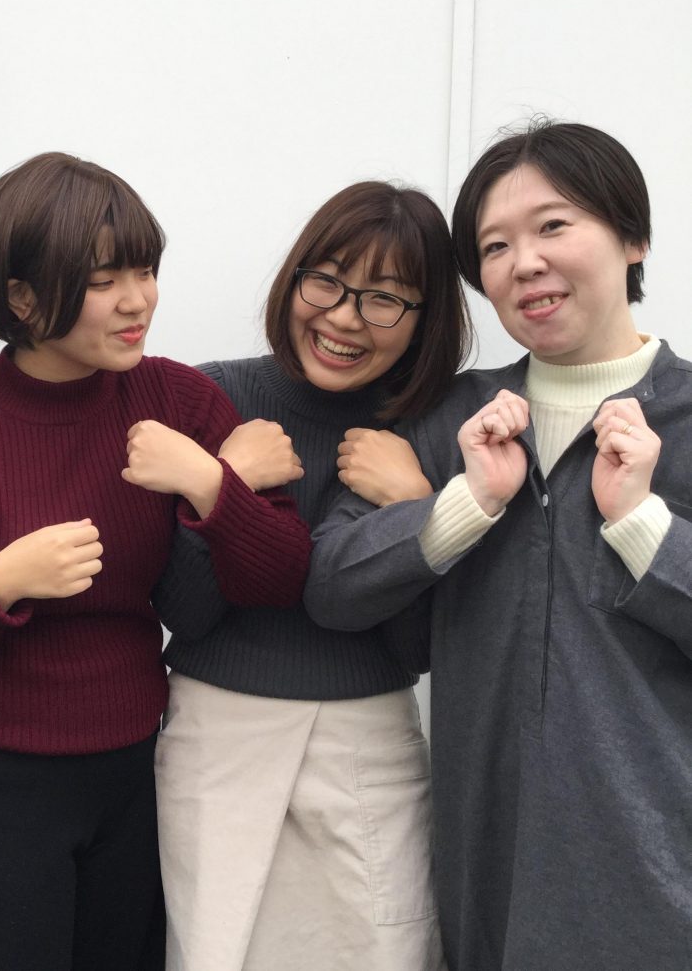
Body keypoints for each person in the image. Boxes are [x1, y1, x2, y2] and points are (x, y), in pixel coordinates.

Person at [0, 151, 311, 971]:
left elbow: (281, 576)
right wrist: (0, 584)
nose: (138, 300)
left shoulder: (178, 402)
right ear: (22, 298)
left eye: (145, 271)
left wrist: (210, 483)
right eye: (105, 280)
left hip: (135, 769)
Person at [305, 121, 692, 970]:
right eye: (494, 246)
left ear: (633, 238)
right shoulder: (450, 417)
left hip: (656, 881)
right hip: (484, 872)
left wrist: (641, 524)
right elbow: (331, 584)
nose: (524, 263)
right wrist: (462, 504)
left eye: (553, 226)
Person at [152, 181, 469, 971]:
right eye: (325, 281)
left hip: (369, 743)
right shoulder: (212, 396)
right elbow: (186, 610)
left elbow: (419, 644)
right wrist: (223, 485)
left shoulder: (432, 429)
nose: (344, 317)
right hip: (215, 737)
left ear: (425, 318)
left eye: (384, 298)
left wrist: (417, 507)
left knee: (387, 951)